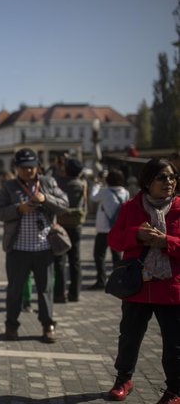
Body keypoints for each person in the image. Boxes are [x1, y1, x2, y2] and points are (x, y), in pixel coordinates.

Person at [106, 158, 180, 404]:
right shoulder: (131, 207)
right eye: (162, 177)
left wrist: (166, 242)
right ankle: (123, 379)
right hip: (138, 284)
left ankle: (175, 390)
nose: (168, 182)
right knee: (129, 336)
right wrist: (135, 235)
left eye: (172, 177)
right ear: (147, 181)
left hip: (171, 287)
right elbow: (114, 240)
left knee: (174, 343)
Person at [0, 148, 68, 343]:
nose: (28, 171)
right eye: (23, 167)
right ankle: (11, 325)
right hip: (18, 249)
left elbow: (64, 204)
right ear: (17, 168)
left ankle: (48, 325)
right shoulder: (9, 186)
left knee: (45, 290)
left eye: (31, 167)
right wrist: (18, 209)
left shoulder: (48, 182)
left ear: (37, 167)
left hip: (44, 248)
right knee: (15, 290)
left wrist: (46, 199)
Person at [88, 169, 129, 290]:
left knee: (99, 255)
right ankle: (119, 280)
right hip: (117, 229)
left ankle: (101, 280)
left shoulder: (105, 192)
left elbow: (93, 197)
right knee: (117, 257)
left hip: (103, 229)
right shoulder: (125, 192)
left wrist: (96, 184)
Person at [55, 158, 87, 303]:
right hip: (76, 225)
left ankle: (60, 294)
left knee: (59, 260)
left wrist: (58, 166)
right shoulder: (82, 184)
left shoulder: (59, 182)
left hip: (60, 224)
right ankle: (75, 293)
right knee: (75, 260)